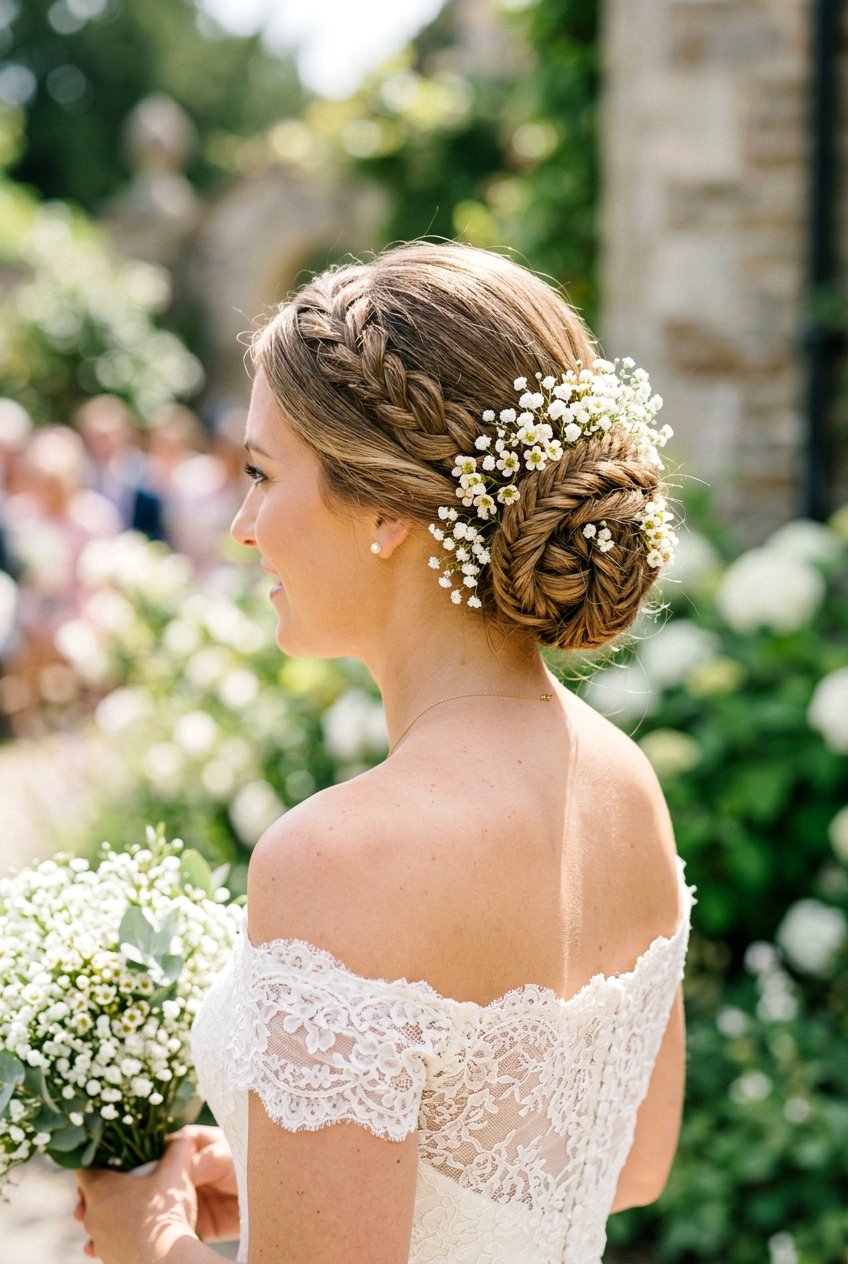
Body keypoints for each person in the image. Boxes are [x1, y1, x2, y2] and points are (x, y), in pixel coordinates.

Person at [75, 241, 695, 1264]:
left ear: (385, 509)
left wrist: (147, 1239)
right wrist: (303, 1172)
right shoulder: (625, 784)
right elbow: (622, 1163)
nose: (239, 525)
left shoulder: (340, 857)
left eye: (263, 475)